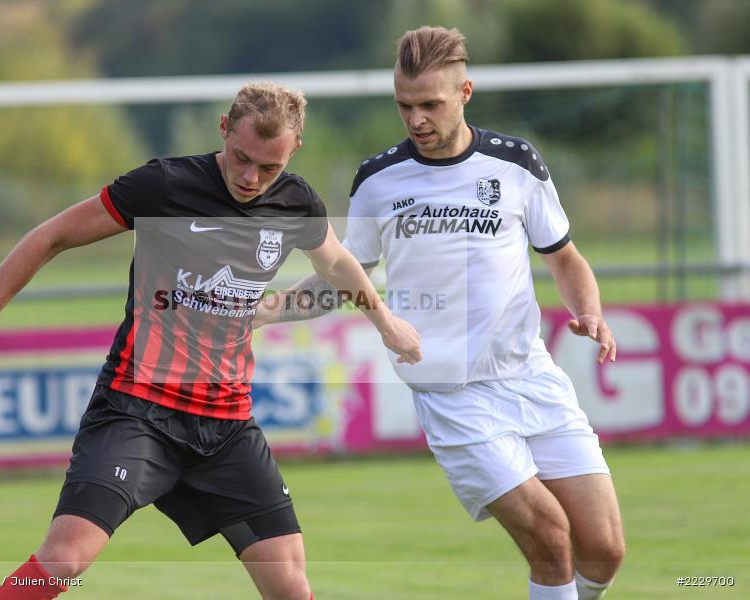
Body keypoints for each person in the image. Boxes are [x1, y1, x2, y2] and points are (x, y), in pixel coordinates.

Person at [0, 81, 421, 600]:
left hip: (226, 425)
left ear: (294, 151)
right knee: (63, 560)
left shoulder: (296, 202)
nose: (251, 177)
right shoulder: (164, 186)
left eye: (269, 168)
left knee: (291, 589)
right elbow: (49, 236)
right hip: (137, 411)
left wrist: (385, 322)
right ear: (223, 128)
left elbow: (337, 266)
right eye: (241, 158)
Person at [255, 27, 625, 600]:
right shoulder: (378, 181)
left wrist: (591, 312)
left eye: (430, 104)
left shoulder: (517, 164)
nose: (416, 119)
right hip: (452, 394)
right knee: (551, 537)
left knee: (603, 551)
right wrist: (264, 310)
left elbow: (565, 259)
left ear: (465, 93)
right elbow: (342, 278)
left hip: (532, 377)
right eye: (405, 106)